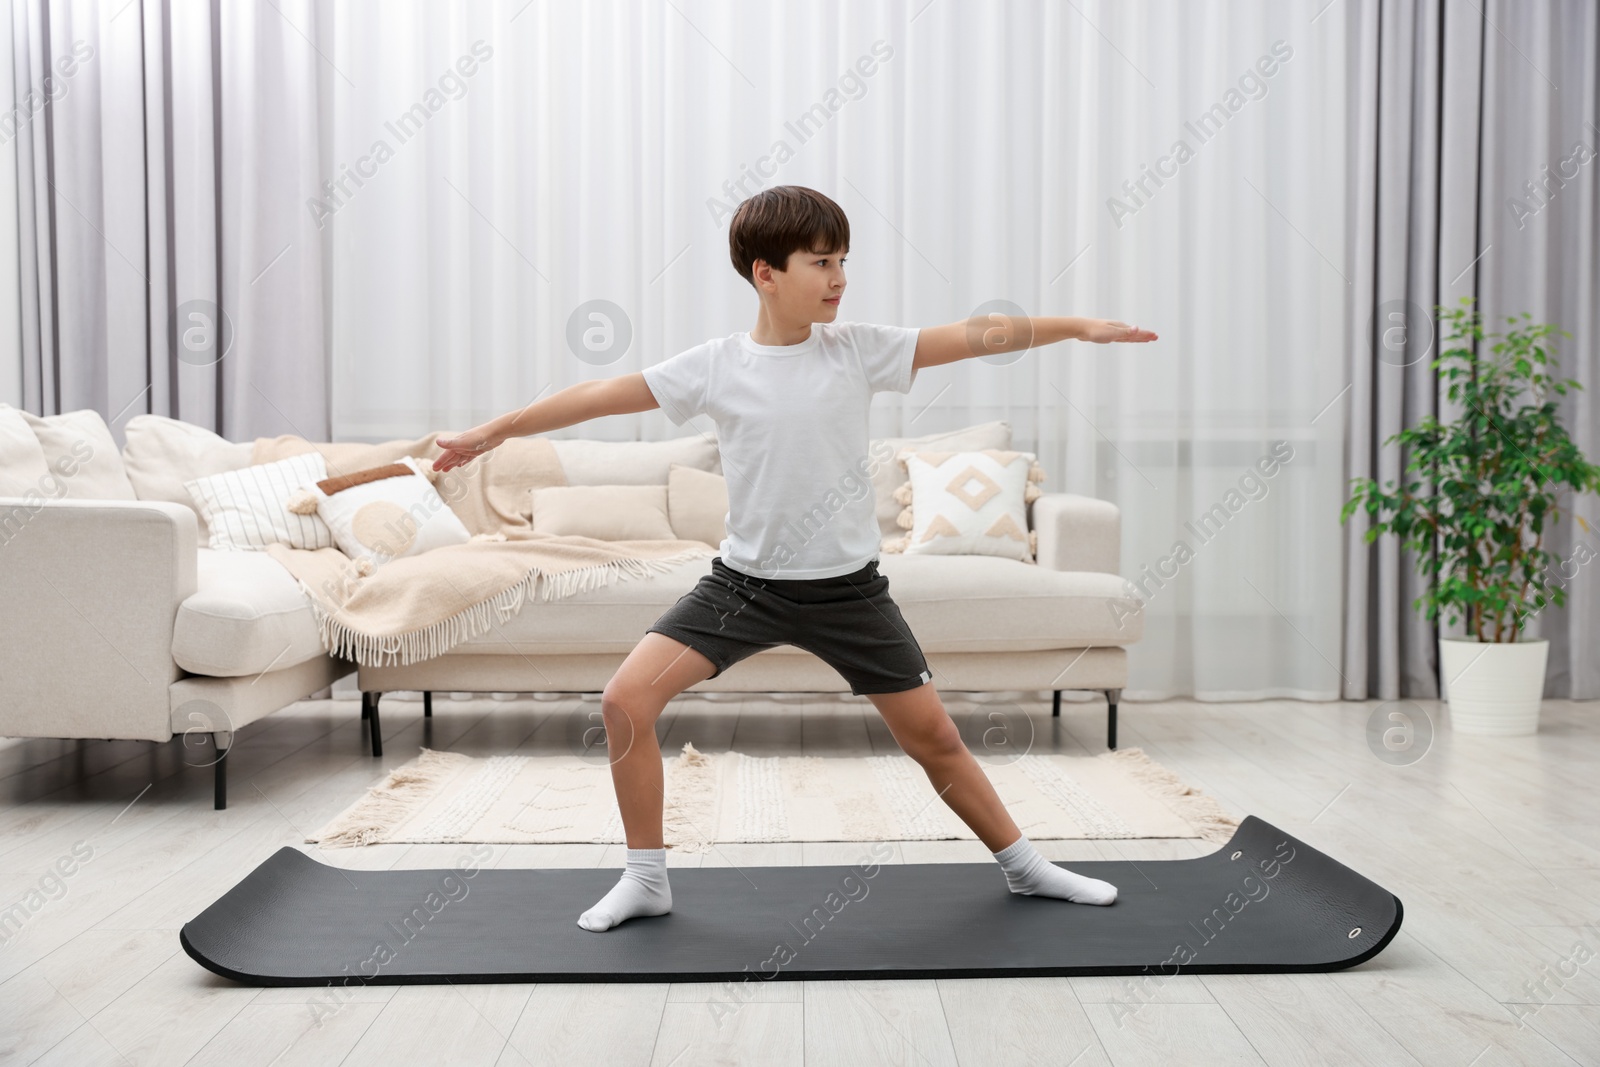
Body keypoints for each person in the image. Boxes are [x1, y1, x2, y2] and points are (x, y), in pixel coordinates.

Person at [434, 185, 1158, 932]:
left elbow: (977, 334)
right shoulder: (716, 365)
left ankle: (1028, 868)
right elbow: (600, 395)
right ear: (764, 272)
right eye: (821, 261)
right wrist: (491, 432)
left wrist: (1078, 327)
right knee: (625, 701)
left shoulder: (858, 350)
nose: (839, 276)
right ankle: (646, 877)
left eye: (844, 259)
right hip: (743, 589)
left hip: (850, 594)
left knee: (935, 739)